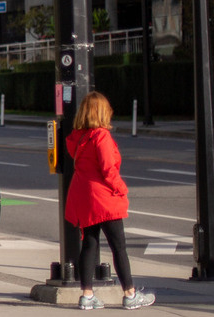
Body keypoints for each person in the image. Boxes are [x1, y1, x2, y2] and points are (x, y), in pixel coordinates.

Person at [67, 91, 155, 310]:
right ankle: (130, 294)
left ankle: (87, 296)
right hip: (104, 198)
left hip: (85, 197)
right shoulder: (101, 136)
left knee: (89, 244)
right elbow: (108, 170)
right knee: (119, 247)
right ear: (101, 112)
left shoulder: (77, 138)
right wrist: (121, 189)